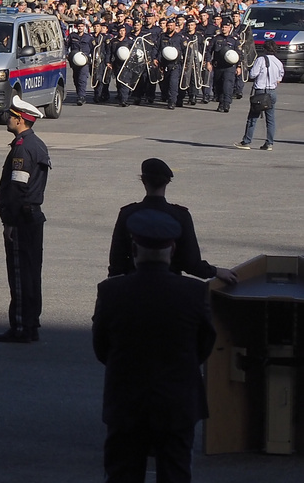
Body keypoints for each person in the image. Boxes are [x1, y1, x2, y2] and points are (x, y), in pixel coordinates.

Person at [91, 209, 216, 483]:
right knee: (175, 472)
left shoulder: (111, 292)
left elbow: (101, 348)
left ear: (134, 248)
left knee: (122, 473)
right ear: (172, 249)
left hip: (126, 401)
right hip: (177, 401)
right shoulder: (194, 292)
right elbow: (205, 345)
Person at [106, 158, 238, 283]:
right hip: (171, 285)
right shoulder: (180, 216)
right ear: (167, 182)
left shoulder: (127, 213)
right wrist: (215, 271)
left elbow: (116, 260)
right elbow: (191, 263)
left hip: (133, 285)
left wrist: (114, 288)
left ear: (143, 181)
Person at [0, 95, 52, 343]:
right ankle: (31, 323)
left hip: (22, 217)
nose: (7, 118)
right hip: (32, 216)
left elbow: (18, 187)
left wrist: (9, 221)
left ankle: (20, 326)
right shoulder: (36, 144)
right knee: (31, 273)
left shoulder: (22, 147)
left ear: (20, 120)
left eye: (11, 115)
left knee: (19, 273)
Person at [238, 41, 281, 150]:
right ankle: (269, 143)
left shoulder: (261, 60)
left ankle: (247, 141)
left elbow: (253, 74)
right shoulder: (278, 62)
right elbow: (279, 78)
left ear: (265, 49)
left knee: (253, 117)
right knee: (270, 119)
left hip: (261, 91)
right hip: (272, 91)